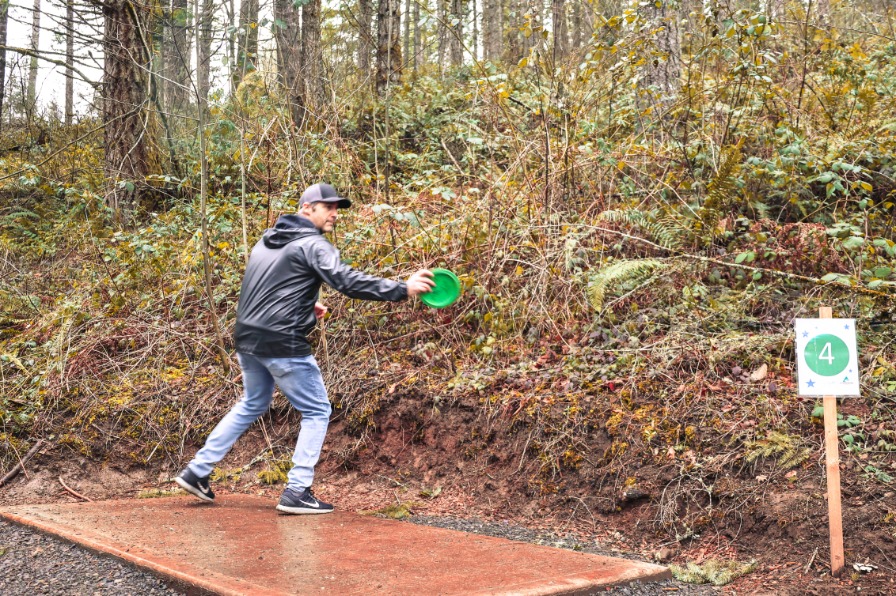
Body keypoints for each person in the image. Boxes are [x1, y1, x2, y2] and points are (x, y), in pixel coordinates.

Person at [175, 183, 434, 514]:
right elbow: (347, 281)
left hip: (247, 337)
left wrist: (306, 304)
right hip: (282, 341)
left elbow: (269, 286)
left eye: (337, 208)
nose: (335, 213)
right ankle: (297, 490)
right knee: (317, 410)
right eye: (328, 207)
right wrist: (403, 288)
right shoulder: (313, 244)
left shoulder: (267, 241)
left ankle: (197, 471)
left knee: (253, 402)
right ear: (307, 208)